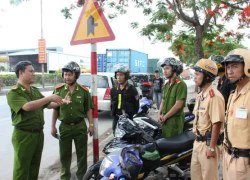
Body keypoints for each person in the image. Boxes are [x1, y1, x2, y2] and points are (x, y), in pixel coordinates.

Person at [6, 61, 65, 180]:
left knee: (34, 167)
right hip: (24, 135)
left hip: (38, 134)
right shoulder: (14, 92)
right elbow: (27, 106)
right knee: (21, 169)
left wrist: (62, 101)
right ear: (21, 73)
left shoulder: (34, 90)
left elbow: (48, 104)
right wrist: (49, 97)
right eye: (31, 71)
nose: (34, 74)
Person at [51, 61, 94, 180]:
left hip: (79, 126)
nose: (67, 77)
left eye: (69, 74)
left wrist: (91, 125)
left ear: (76, 75)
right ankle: (65, 177)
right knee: (64, 155)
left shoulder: (84, 91)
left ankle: (82, 177)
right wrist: (53, 126)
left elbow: (88, 109)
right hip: (64, 127)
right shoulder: (58, 90)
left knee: (82, 154)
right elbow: (55, 109)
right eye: (65, 74)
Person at [191, 58, 225, 180]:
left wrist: (211, 147)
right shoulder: (201, 95)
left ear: (206, 76)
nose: (194, 77)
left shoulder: (215, 96)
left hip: (208, 145)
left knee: (208, 177)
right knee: (196, 176)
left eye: (197, 74)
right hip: (197, 143)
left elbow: (216, 123)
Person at [222, 48, 250, 180]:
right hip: (228, 157)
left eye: (235, 66)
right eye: (228, 67)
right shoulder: (233, 94)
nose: (229, 71)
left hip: (244, 162)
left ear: (247, 67)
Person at [158, 57, 187, 138]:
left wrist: (165, 117)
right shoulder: (166, 85)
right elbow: (163, 100)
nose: (165, 71)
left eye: (167, 68)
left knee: (174, 148)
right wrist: (159, 113)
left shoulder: (181, 84)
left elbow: (178, 105)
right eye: (164, 69)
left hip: (174, 123)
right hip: (165, 121)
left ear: (174, 69)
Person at [110, 64, 139, 133]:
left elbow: (136, 105)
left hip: (128, 119)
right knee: (115, 134)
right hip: (116, 118)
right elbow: (112, 103)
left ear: (126, 76)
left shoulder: (132, 89)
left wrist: (131, 116)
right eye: (117, 75)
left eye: (121, 75)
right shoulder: (113, 90)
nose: (119, 77)